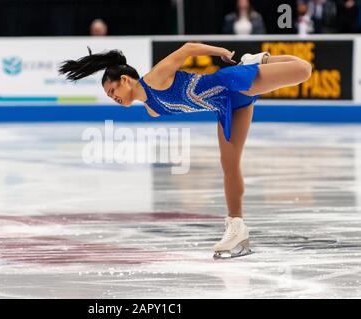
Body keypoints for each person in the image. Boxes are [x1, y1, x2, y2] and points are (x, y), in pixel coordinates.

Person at [58, 42, 312, 259]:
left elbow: (188, 48)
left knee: (303, 69)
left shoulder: (155, 78)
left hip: (232, 83)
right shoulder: (152, 109)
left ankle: (256, 60)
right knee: (230, 165)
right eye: (109, 95)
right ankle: (237, 228)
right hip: (225, 106)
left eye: (112, 90)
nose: (113, 97)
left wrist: (220, 52)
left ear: (125, 79)